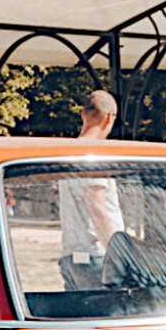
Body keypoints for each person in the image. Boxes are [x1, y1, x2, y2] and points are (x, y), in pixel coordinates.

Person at [57, 90, 125, 289]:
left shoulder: (65, 153)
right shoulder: (93, 155)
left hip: (71, 256)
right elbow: (97, 207)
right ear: (110, 117)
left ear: (83, 114)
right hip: (96, 256)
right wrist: (119, 255)